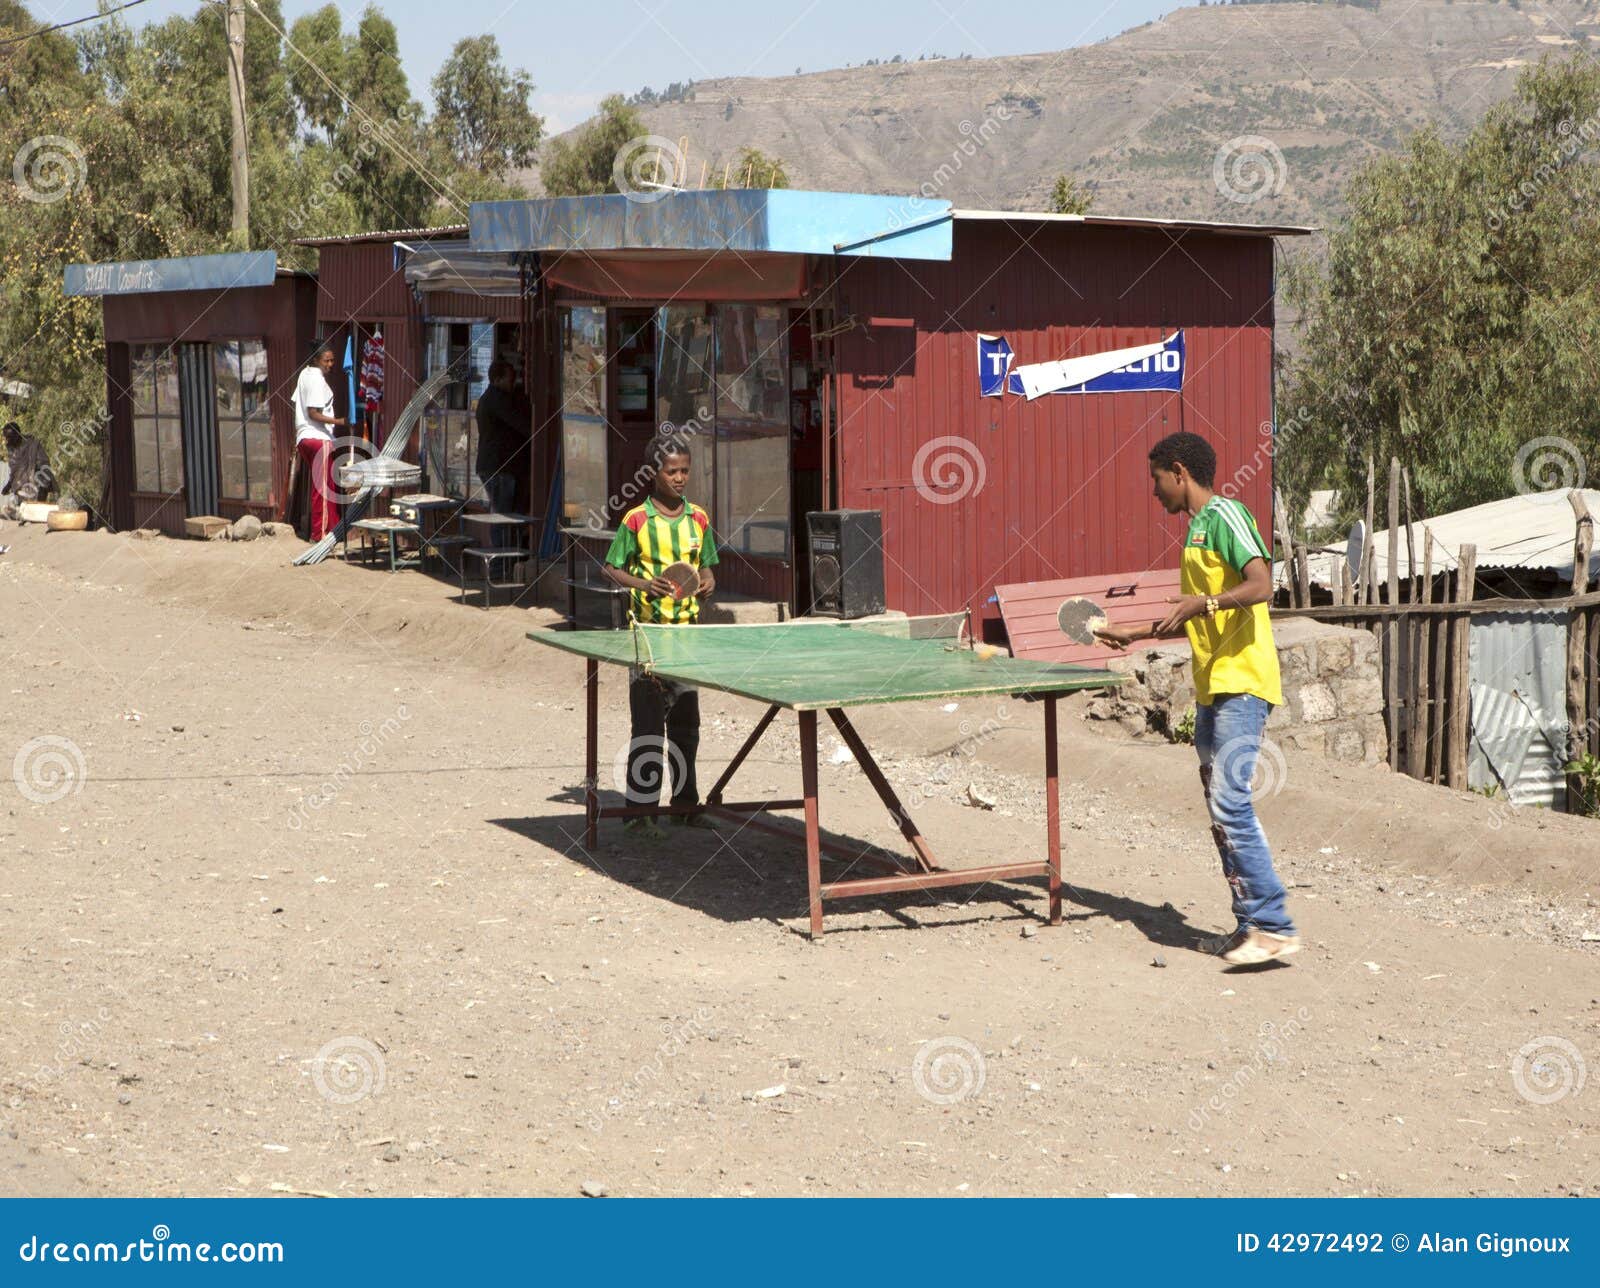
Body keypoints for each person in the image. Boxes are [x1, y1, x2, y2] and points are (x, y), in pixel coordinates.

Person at [1093, 431, 1301, 966]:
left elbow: (1262, 585)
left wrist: (1203, 604)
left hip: (1243, 682)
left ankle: (1274, 926)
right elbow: (1193, 613)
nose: (1154, 490)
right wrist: (1135, 633)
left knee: (1231, 802)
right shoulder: (1195, 535)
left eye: (1156, 478)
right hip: (1213, 687)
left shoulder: (1227, 514)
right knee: (1218, 806)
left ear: (1179, 472)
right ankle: (1249, 924)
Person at [602, 435, 719, 841]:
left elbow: (707, 567)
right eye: (673, 471)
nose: (681, 478)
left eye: (685, 470)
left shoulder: (699, 519)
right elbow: (611, 568)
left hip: (687, 641)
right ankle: (639, 812)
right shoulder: (635, 520)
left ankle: (686, 807)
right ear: (654, 473)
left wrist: (707, 583)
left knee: (687, 727)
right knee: (648, 728)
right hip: (648, 642)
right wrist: (642, 585)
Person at [474, 360, 531, 545]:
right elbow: (521, 424)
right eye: (509, 379)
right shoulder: (496, 400)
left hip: (496, 466)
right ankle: (500, 564)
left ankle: (505, 560)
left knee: (504, 516)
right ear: (497, 379)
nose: (512, 383)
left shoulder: (490, 398)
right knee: (503, 517)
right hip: (499, 467)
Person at [293, 345, 346, 541]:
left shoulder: (304, 375)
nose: (330, 364)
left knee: (325, 485)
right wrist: (339, 421)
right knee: (323, 488)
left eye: (332, 360)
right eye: (327, 360)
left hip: (305, 437)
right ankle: (320, 534)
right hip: (317, 437)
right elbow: (313, 413)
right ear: (316, 360)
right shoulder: (315, 377)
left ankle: (331, 532)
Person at [2, 422, 57, 504]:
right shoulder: (11, 449)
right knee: (22, 514)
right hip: (20, 491)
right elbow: (14, 472)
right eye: (6, 437)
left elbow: (44, 466)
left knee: (35, 514)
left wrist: (41, 485)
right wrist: (9, 485)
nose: (7, 440)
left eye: (9, 437)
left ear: (17, 435)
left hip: (36, 488)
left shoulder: (33, 445)